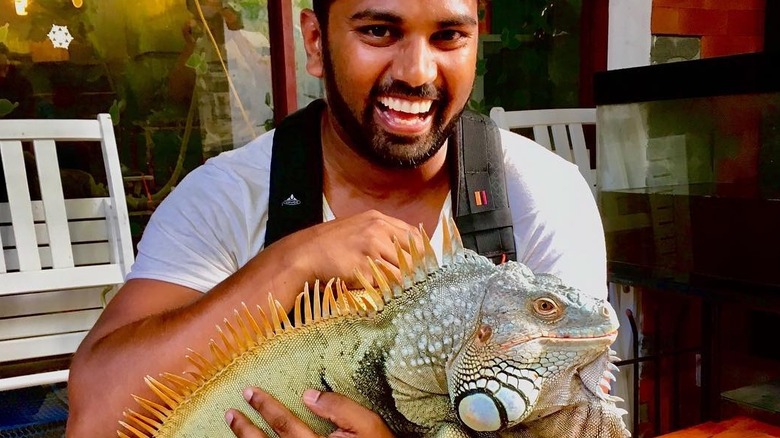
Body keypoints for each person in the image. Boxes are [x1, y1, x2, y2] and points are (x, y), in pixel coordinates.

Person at [65, 0, 606, 436]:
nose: (417, 72)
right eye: (378, 31)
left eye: (449, 36)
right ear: (316, 41)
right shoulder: (223, 197)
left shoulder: (542, 194)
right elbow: (94, 418)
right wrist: (288, 264)